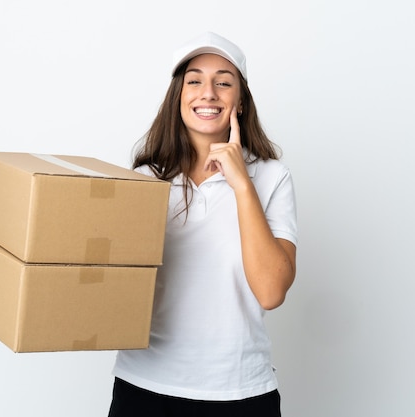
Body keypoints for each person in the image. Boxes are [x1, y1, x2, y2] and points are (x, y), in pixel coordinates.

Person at [108, 31, 298, 417]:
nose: (208, 92)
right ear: (178, 96)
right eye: (194, 80)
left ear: (240, 101)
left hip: (241, 390)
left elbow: (271, 292)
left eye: (223, 82)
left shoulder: (271, 176)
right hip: (145, 384)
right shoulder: (145, 180)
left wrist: (242, 183)